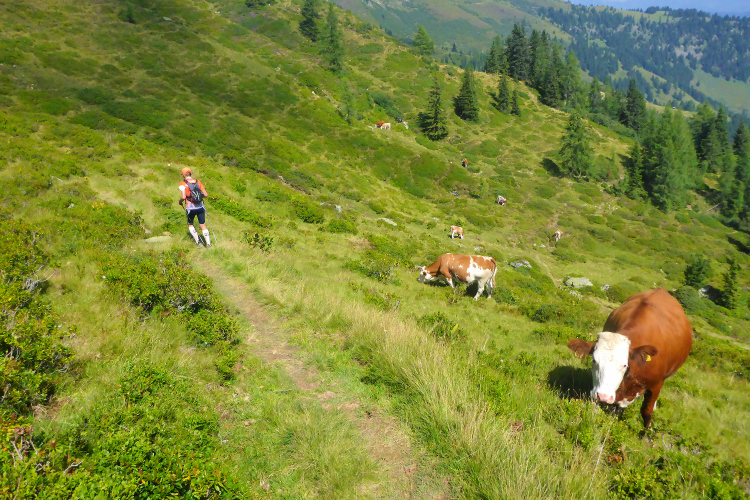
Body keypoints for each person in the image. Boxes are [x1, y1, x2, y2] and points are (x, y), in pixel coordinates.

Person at [178, 167, 211, 247]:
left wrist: (180, 202)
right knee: (203, 225)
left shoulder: (182, 183)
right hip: (200, 206)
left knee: (190, 224)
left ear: (183, 174)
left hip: (190, 208)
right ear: (191, 173)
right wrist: (199, 197)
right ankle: (208, 244)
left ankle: (198, 242)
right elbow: (206, 194)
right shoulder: (198, 181)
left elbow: (183, 197)